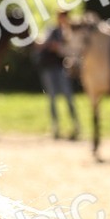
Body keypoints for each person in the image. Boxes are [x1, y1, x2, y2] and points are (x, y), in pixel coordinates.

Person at [36, 9, 80, 140]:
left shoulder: (69, 33)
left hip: (62, 67)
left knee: (68, 96)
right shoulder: (52, 30)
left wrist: (59, 48)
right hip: (49, 67)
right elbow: (41, 43)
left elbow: (71, 50)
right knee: (52, 97)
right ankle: (55, 127)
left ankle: (75, 125)